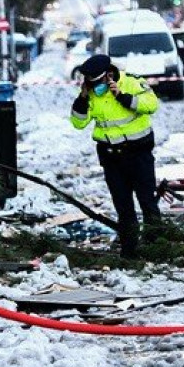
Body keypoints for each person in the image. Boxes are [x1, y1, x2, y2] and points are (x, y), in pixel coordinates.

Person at [69, 53, 161, 258]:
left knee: (147, 202)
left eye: (97, 81)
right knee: (123, 206)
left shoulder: (131, 81)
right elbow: (78, 123)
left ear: (109, 74)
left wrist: (122, 96)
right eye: (90, 82)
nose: (95, 86)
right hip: (111, 158)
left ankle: (157, 248)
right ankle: (130, 252)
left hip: (138, 153)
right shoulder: (90, 92)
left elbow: (151, 105)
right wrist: (82, 99)